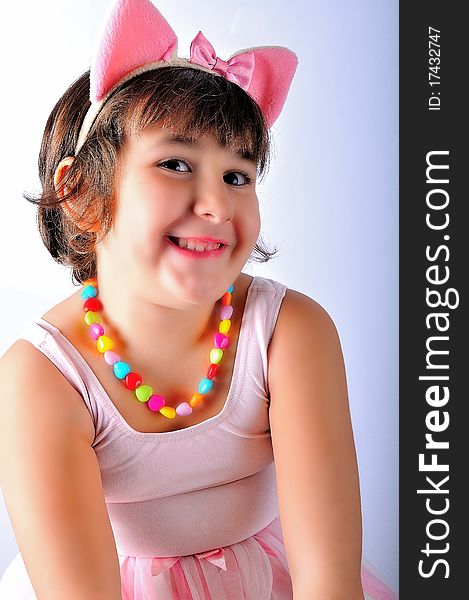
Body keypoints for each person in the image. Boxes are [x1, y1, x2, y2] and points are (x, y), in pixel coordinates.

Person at [0, 0, 397, 598]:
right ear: (81, 192)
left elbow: (330, 584)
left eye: (238, 175)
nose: (216, 204)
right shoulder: (44, 377)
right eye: (177, 163)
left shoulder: (289, 332)